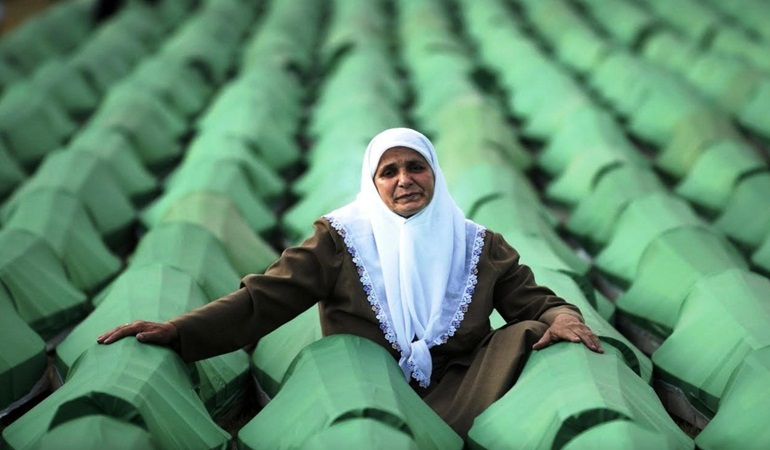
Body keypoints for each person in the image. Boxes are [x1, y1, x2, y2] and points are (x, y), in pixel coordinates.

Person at [98, 127, 603, 438]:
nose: (404, 180)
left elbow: (533, 301)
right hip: (368, 383)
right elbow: (263, 300)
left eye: (415, 167)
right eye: (389, 172)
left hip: (460, 384)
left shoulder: (477, 243)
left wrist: (564, 318)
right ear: (373, 182)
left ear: (435, 175)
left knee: (528, 334)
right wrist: (180, 332)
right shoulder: (340, 241)